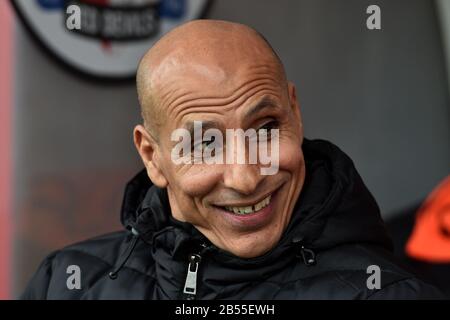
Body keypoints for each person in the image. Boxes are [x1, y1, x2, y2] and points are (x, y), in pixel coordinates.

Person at [22, 19, 442, 299]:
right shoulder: (65, 283)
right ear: (152, 156)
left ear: (294, 113)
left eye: (264, 130)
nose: (245, 179)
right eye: (205, 144)